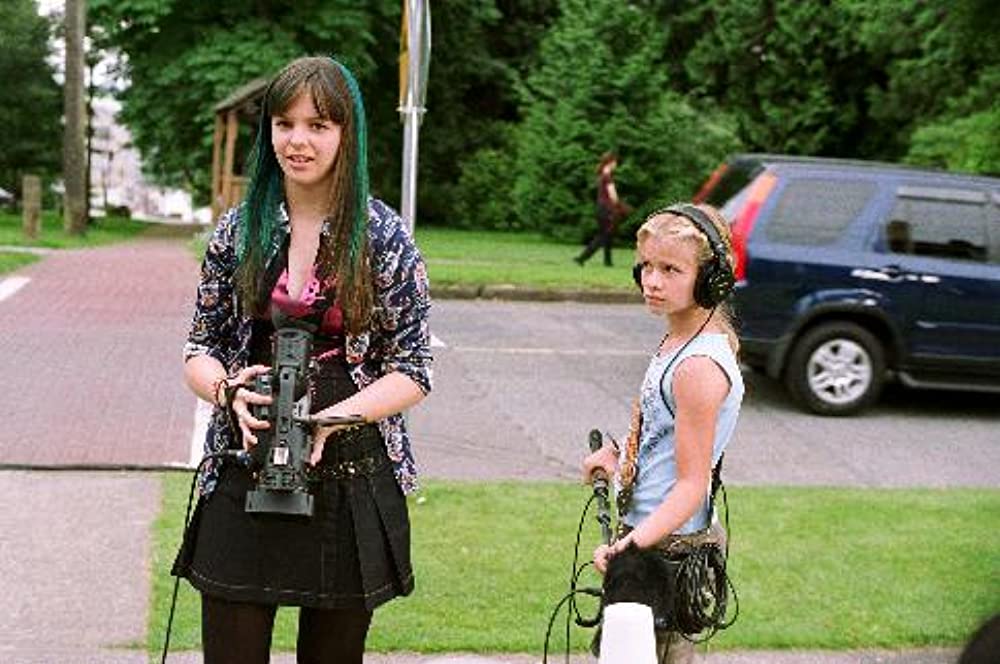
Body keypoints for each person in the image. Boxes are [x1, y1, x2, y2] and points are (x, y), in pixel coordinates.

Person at [173, 56, 432, 664]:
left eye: (318, 124)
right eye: (284, 123)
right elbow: (199, 349)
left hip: (349, 473)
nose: (298, 140)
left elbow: (413, 367)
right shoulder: (238, 232)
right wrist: (226, 392)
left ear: (347, 134)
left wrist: (336, 418)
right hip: (244, 466)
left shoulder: (384, 237)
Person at [582, 203, 744, 664]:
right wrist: (619, 463)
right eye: (647, 267)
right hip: (651, 537)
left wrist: (627, 548)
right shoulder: (679, 341)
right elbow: (664, 444)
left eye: (671, 269)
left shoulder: (697, 367)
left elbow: (691, 485)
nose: (652, 281)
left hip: (667, 551)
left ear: (711, 279)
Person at [574, 152, 631, 267]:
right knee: (603, 236)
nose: (616, 164)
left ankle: (608, 262)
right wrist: (620, 206)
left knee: (608, 235)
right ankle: (582, 258)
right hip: (607, 209)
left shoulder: (601, 176)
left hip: (601, 208)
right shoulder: (608, 177)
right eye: (615, 162)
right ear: (610, 162)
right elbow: (613, 196)